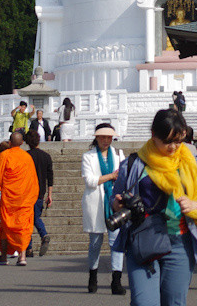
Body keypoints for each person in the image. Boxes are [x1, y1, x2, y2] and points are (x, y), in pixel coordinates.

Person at [111, 106, 197, 306]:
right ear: (153, 135)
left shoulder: (192, 162)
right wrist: (117, 204)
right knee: (144, 302)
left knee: (174, 302)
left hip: (179, 242)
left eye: (177, 141)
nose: (173, 147)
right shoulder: (133, 164)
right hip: (143, 239)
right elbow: (116, 201)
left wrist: (194, 204)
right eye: (167, 141)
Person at [81, 121, 126, 295]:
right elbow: (91, 181)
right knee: (95, 243)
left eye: (109, 137)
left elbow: (123, 176)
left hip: (115, 202)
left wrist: (113, 178)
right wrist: (111, 176)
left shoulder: (119, 154)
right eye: (103, 137)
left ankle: (116, 280)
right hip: (96, 203)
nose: (106, 140)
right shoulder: (88, 156)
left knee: (116, 243)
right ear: (97, 138)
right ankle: (93, 276)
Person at [0, 129, 39, 267]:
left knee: (6, 227)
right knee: (23, 226)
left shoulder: (4, 155)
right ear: (22, 143)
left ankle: (4, 256)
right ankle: (22, 256)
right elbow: (32, 179)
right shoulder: (27, 157)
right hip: (24, 198)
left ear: (10, 142)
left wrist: (3, 186)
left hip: (9, 199)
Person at [25, 129, 54, 258]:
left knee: (27, 220)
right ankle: (42, 236)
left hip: (26, 192)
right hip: (40, 193)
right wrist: (50, 194)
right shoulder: (46, 156)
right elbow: (50, 177)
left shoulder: (26, 156)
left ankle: (29, 247)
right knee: (36, 216)